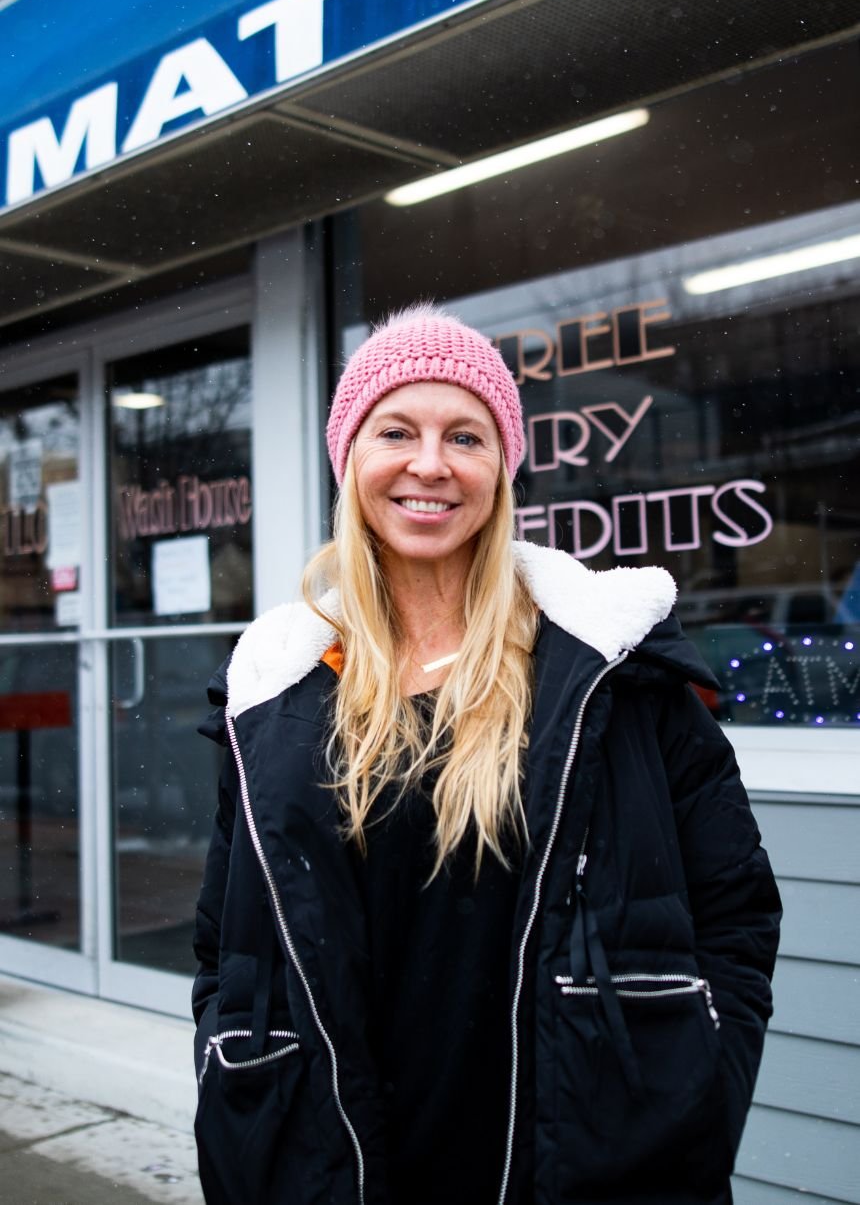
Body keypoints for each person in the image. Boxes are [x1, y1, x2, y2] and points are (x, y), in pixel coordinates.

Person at [192, 305, 781, 1205]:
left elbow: (734, 906)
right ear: (350, 459)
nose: (429, 464)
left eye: (464, 435)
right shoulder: (277, 689)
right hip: (345, 1164)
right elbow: (223, 954)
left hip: (581, 1160)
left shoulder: (608, 663)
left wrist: (695, 1096)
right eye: (396, 430)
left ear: (500, 468)